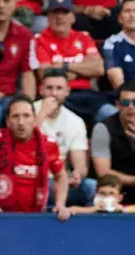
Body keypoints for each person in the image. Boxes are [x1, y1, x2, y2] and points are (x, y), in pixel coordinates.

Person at [0, 93, 69, 219]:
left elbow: (61, 176)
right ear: (8, 121)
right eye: (15, 116)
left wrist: (60, 204)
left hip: (36, 217)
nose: (21, 122)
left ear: (34, 120)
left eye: (26, 116)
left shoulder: (48, 144)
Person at [33, 0, 106, 121]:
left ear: (73, 17)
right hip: (57, 96)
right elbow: (44, 73)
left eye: (65, 13)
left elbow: (99, 69)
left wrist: (65, 66)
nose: (60, 17)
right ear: (48, 17)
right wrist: (83, 70)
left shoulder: (84, 37)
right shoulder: (39, 40)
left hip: (86, 94)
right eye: (55, 13)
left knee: (109, 112)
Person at [35, 68, 92, 206]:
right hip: (31, 177)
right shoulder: (26, 112)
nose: (54, 93)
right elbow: (21, 146)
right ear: (41, 90)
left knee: (92, 187)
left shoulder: (75, 121)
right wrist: (41, 115)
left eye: (59, 88)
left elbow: (81, 166)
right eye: (49, 88)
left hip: (60, 180)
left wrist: (77, 175)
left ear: (67, 91)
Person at [68, 172, 135, 213]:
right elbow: (72, 209)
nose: (106, 197)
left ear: (120, 197)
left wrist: (124, 209)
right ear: (96, 195)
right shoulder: (91, 207)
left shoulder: (120, 208)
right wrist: (92, 209)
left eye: (111, 194)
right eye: (102, 193)